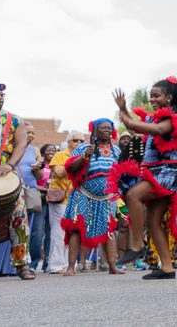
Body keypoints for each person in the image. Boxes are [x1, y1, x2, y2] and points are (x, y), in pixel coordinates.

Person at [111, 76, 177, 279]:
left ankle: (137, 244)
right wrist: (123, 110)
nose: (152, 99)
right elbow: (135, 127)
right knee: (152, 220)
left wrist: (129, 120)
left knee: (133, 195)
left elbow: (158, 130)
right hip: (160, 170)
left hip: (172, 171)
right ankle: (167, 267)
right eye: (151, 96)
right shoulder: (156, 117)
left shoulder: (176, 116)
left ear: (169, 96)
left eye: (156, 95)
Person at [61, 118, 124, 276]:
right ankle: (71, 267)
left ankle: (112, 267)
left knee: (109, 231)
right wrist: (84, 157)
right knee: (76, 229)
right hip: (83, 194)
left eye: (109, 128)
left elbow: (121, 173)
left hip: (107, 197)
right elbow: (70, 168)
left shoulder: (116, 151)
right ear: (94, 131)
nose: (107, 130)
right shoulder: (82, 147)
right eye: (103, 128)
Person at [0, 82, 33, 280]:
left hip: (8, 177)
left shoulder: (14, 120)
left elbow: (21, 144)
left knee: (19, 219)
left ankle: (22, 266)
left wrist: (11, 165)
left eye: (2, 94)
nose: (0, 97)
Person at [46, 133, 83, 274]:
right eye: (76, 140)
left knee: (71, 232)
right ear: (69, 142)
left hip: (76, 199)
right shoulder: (60, 155)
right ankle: (56, 265)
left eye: (81, 140)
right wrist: (74, 161)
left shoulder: (82, 158)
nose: (79, 142)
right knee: (58, 232)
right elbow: (59, 172)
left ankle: (66, 264)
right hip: (60, 199)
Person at [18, 122, 45, 271]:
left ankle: (32, 264)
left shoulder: (35, 150)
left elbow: (40, 176)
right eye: (28, 132)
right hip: (14, 190)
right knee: (18, 228)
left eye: (33, 133)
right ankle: (16, 263)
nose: (31, 135)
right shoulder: (12, 148)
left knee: (34, 230)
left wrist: (37, 169)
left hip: (32, 191)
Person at [36, 143, 55, 271]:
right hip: (39, 200)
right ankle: (34, 261)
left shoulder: (57, 166)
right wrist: (45, 190)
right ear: (42, 153)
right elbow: (32, 183)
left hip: (53, 201)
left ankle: (47, 262)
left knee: (50, 232)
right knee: (37, 231)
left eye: (53, 150)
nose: (51, 152)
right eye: (48, 150)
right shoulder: (39, 165)